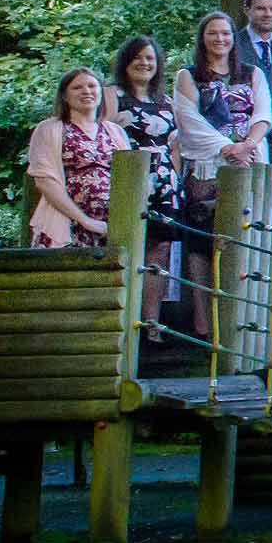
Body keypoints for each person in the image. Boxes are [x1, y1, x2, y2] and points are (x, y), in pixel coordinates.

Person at [176, 10, 272, 345]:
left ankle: (240, 321)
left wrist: (248, 145)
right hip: (208, 164)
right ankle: (204, 322)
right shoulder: (188, 76)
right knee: (202, 242)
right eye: (213, 33)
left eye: (226, 33)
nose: (220, 39)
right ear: (203, 38)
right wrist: (227, 147)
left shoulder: (253, 73)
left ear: (234, 38)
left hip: (248, 161)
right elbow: (188, 120)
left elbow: (263, 114)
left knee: (243, 237)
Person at [102, 38, 182, 344]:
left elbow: (175, 145)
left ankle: (152, 323)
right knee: (127, 244)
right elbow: (102, 133)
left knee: (159, 250)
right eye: (137, 57)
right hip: (130, 177)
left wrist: (176, 178)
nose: (144, 63)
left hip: (164, 180)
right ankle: (121, 319)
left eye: (150, 58)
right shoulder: (113, 95)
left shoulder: (166, 100)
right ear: (125, 62)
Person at [29, 68, 126, 249]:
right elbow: (45, 181)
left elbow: (129, 179)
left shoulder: (115, 131)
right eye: (77, 87)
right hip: (67, 224)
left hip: (111, 229)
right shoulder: (49, 129)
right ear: (64, 96)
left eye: (92, 86)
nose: (86, 91)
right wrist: (86, 221)